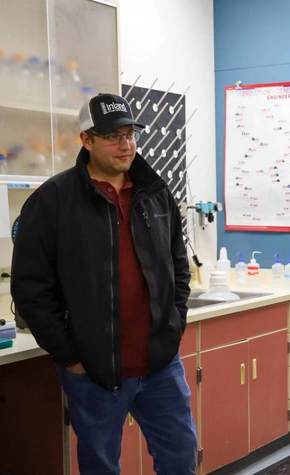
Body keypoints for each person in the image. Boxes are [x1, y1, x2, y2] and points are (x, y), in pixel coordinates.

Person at [12, 93, 196, 474]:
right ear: (86, 140)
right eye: (113, 136)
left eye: (130, 134)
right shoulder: (53, 201)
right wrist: (71, 356)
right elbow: (31, 288)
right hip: (94, 370)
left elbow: (178, 266)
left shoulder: (155, 193)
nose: (125, 144)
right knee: (100, 466)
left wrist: (174, 324)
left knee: (181, 456)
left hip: (160, 363)